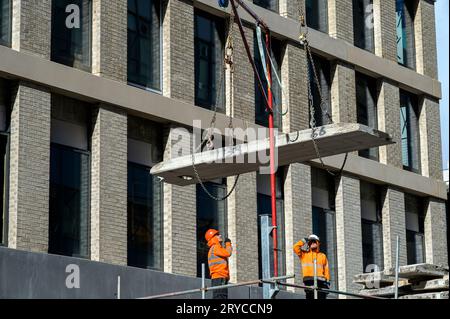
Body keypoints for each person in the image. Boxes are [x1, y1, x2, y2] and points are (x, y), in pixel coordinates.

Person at [293, 234, 330, 299]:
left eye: (314, 242)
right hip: (309, 280)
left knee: (321, 297)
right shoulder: (304, 254)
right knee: (310, 296)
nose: (312, 243)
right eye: (311, 242)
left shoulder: (322, 256)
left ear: (318, 243)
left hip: (320, 281)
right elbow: (295, 248)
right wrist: (303, 241)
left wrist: (327, 282)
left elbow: (326, 270)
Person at [205, 229, 232, 299]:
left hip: (218, 277)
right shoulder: (215, 247)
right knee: (221, 297)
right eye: (217, 235)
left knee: (219, 296)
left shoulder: (214, 248)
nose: (220, 235)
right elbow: (228, 253)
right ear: (213, 238)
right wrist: (228, 243)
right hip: (220, 277)